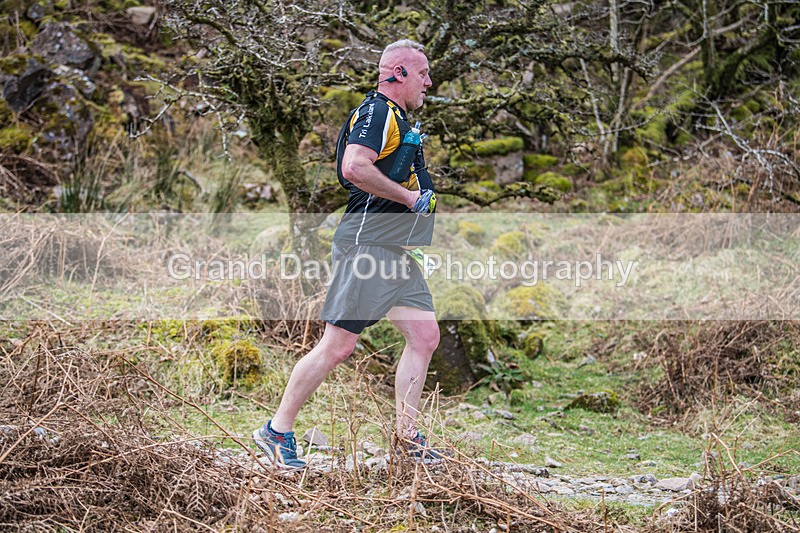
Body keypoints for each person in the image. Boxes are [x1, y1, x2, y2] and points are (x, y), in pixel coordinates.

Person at [253, 39, 446, 469]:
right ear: (397, 72)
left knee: (424, 336)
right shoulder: (378, 112)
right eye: (422, 73)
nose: (429, 82)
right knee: (338, 346)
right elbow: (355, 167)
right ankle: (276, 431)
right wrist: (410, 199)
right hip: (368, 246)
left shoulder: (396, 117)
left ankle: (407, 439)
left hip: (395, 251)